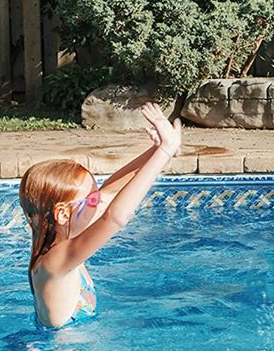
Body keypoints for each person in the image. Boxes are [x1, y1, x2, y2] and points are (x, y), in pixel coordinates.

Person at [18, 102, 181, 330]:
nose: (100, 202)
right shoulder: (54, 262)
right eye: (92, 200)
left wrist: (157, 151)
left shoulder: (62, 241)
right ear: (63, 214)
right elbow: (116, 217)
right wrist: (165, 150)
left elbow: (110, 192)